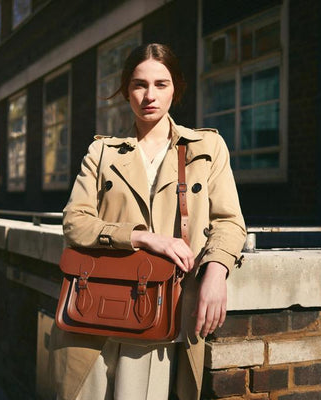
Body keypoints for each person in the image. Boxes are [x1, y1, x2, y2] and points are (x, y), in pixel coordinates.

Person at [50, 43, 246, 400]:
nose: (149, 95)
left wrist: (217, 270)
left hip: (163, 313)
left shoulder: (207, 147)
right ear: (126, 89)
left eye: (161, 84)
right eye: (139, 84)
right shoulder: (102, 152)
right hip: (94, 311)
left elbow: (230, 222)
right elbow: (75, 222)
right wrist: (145, 238)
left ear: (176, 89)